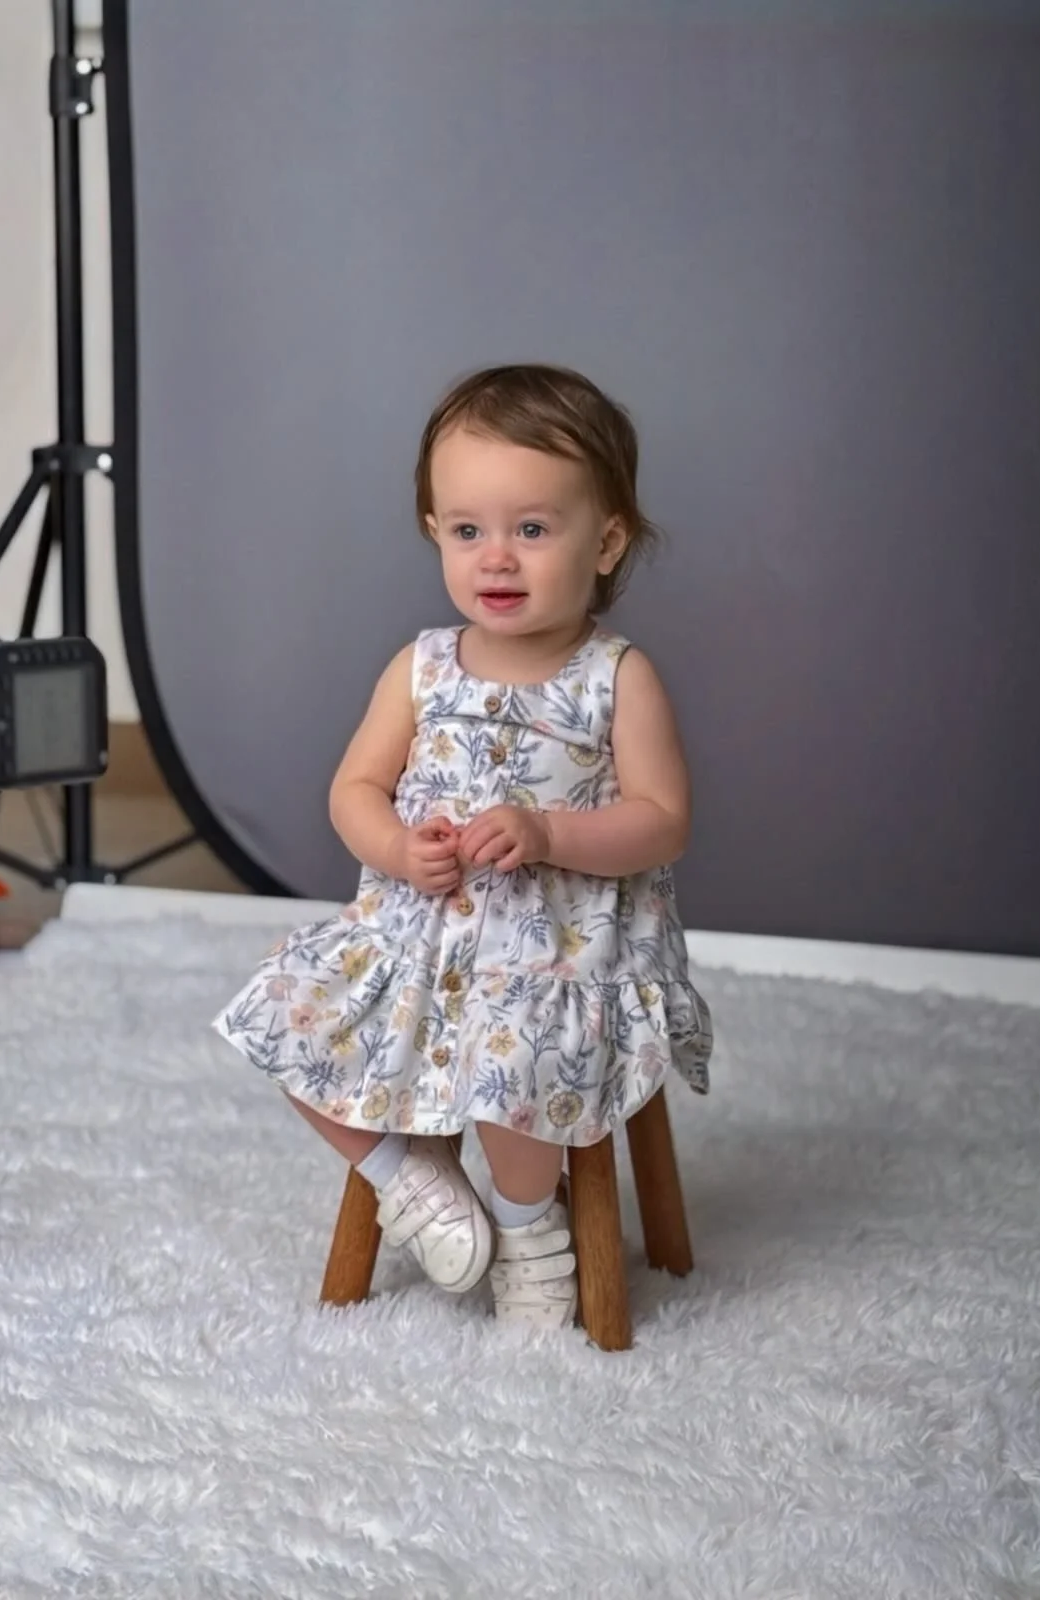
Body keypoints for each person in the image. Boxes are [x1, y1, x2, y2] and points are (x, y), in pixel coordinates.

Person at [214, 363, 712, 1330]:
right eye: (469, 530)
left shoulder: (614, 677)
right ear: (435, 532)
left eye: (533, 529)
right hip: (418, 934)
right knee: (289, 1020)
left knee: (506, 1055)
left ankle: (531, 1233)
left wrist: (549, 831)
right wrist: (399, 850)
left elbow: (663, 818)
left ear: (605, 541)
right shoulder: (421, 667)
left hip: (557, 952)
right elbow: (353, 789)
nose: (498, 558)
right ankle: (411, 1177)